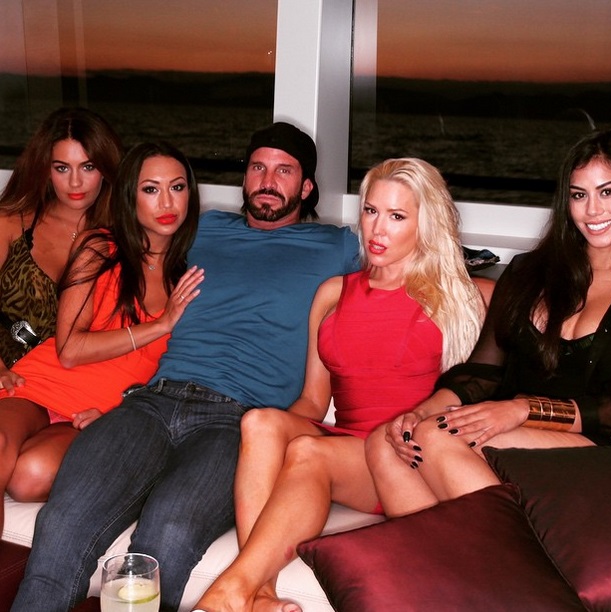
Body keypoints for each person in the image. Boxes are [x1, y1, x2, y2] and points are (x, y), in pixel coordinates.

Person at [12, 121, 361, 612]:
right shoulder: (201, 230)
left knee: (168, 532)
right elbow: (125, 232)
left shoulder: (336, 246)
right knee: (63, 522)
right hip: (151, 402)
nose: (267, 180)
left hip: (236, 421)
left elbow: (420, 264)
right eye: (257, 167)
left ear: (305, 188)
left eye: (284, 171)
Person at [193, 157, 485, 612]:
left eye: (397, 216)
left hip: (400, 456)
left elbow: (482, 385)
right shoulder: (334, 292)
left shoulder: (460, 298)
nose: (377, 229)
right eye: (371, 211)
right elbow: (313, 400)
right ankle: (261, 594)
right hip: (345, 445)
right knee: (259, 423)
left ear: (425, 224)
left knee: (309, 453)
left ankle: (229, 593)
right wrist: (268, 438)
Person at [365, 128, 611, 521]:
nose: (593, 210)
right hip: (518, 432)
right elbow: (484, 372)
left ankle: (509, 554)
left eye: (608, 192)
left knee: (436, 439)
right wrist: (420, 412)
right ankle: (468, 557)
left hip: (602, 448)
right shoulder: (528, 272)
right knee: (386, 443)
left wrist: (525, 409)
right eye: (579, 195)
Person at [0, 141, 202, 533]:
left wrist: (123, 411)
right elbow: (70, 350)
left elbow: (183, 375)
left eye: (177, 187)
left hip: (99, 412)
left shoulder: (192, 276)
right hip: (41, 384)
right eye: (151, 189)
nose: (166, 202)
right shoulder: (100, 247)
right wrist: (160, 325)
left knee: (29, 478)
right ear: (129, 196)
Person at [0, 107, 123, 382]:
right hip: (10, 377)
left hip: (76, 383)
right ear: (45, 169)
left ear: (106, 169)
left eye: (88, 167)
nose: (75, 182)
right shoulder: (10, 222)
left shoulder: (124, 238)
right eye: (62, 168)